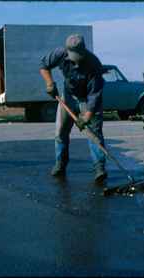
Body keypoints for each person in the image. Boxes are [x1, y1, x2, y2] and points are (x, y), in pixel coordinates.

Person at [39, 34, 107, 182]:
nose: (75, 59)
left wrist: (86, 117)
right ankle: (60, 163)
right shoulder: (60, 53)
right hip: (68, 97)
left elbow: (94, 95)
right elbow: (44, 66)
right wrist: (50, 84)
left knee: (94, 133)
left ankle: (99, 168)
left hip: (87, 100)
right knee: (60, 132)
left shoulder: (94, 64)